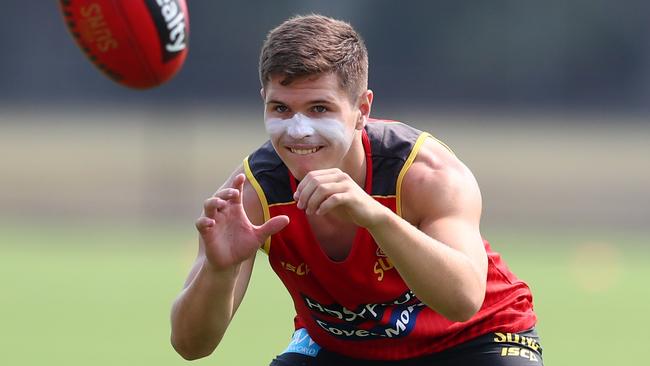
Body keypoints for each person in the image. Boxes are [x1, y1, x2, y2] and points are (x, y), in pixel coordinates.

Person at [170, 14, 543, 366]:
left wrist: (376, 216)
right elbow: (190, 346)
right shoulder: (251, 194)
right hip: (345, 347)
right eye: (281, 109)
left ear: (362, 109)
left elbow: (463, 301)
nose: (299, 131)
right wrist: (219, 272)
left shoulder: (423, 173)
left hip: (475, 337)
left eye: (319, 108)